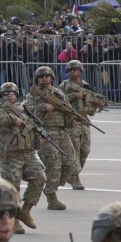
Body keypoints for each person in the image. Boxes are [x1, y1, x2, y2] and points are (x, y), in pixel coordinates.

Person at [0, 82, 46, 234]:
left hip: (28, 154)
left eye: (12, 92)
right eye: (6, 93)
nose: (9, 95)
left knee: (40, 178)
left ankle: (25, 211)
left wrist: (39, 138)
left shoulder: (24, 111)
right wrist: (12, 120)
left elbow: (34, 129)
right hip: (10, 156)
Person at [23, 66, 75, 210]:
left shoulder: (58, 93)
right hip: (44, 133)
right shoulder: (32, 95)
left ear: (52, 78)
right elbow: (25, 110)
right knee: (53, 165)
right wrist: (42, 106)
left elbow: (68, 109)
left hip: (62, 132)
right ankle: (52, 197)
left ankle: (51, 187)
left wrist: (72, 120)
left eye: (47, 76)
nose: (44, 78)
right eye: (41, 76)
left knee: (70, 163)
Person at [58, 59, 104, 189]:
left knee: (85, 150)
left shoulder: (86, 86)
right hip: (72, 122)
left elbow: (91, 104)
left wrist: (97, 103)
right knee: (75, 151)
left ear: (80, 71)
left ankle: (72, 175)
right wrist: (73, 95)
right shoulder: (64, 86)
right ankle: (75, 178)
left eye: (75, 70)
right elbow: (58, 101)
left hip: (84, 120)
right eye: (70, 70)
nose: (73, 72)